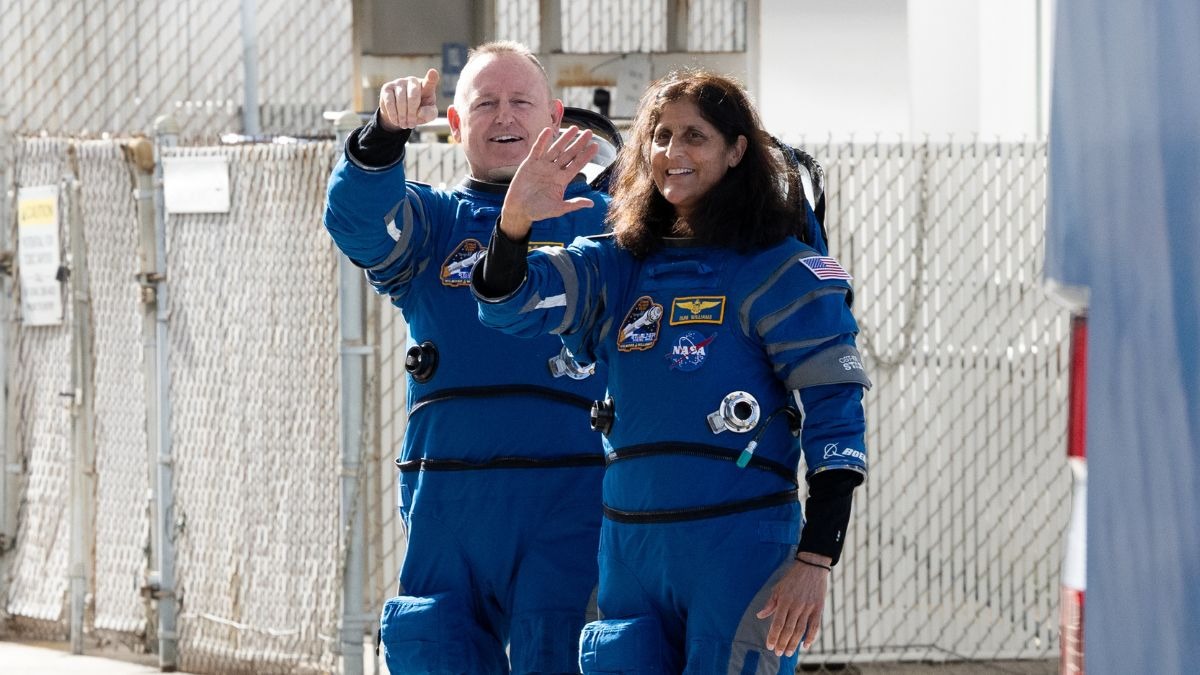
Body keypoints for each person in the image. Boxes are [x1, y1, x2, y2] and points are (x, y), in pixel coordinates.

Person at [472, 69, 870, 674]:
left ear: (737, 150)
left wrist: (816, 560)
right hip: (631, 553)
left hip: (739, 550)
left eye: (695, 136)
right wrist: (515, 223)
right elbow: (510, 304)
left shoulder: (781, 272)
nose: (672, 153)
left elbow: (836, 422)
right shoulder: (619, 265)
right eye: (659, 136)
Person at [324, 41, 610, 674]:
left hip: (571, 496)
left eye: (520, 102)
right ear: (454, 126)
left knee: (561, 652)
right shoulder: (433, 224)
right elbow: (357, 224)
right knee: (436, 646)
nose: (504, 117)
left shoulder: (609, 228)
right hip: (449, 498)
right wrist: (381, 138)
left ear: (554, 118)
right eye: (485, 103)